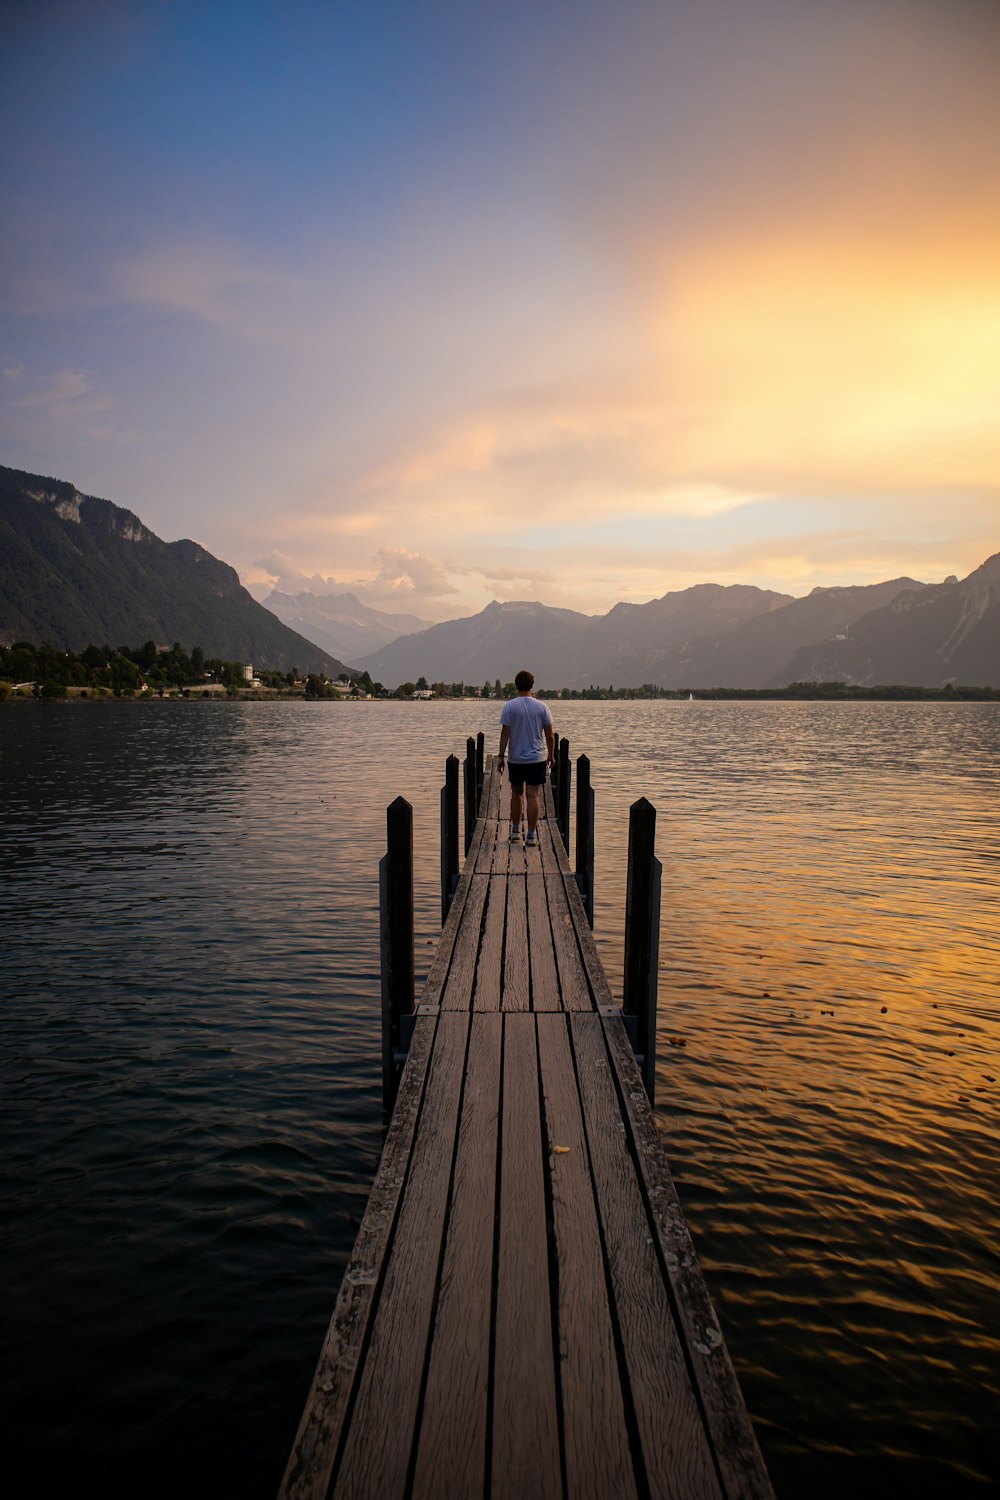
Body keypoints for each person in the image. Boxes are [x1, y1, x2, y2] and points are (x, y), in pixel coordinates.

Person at [497, 669, 555, 847]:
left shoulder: (509, 706)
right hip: (537, 759)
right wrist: (551, 756)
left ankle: (515, 832)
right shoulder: (542, 707)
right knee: (533, 796)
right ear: (532, 685)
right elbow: (550, 735)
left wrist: (501, 756)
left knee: (517, 794)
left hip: (516, 759)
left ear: (516, 685)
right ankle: (530, 836)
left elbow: (505, 733)